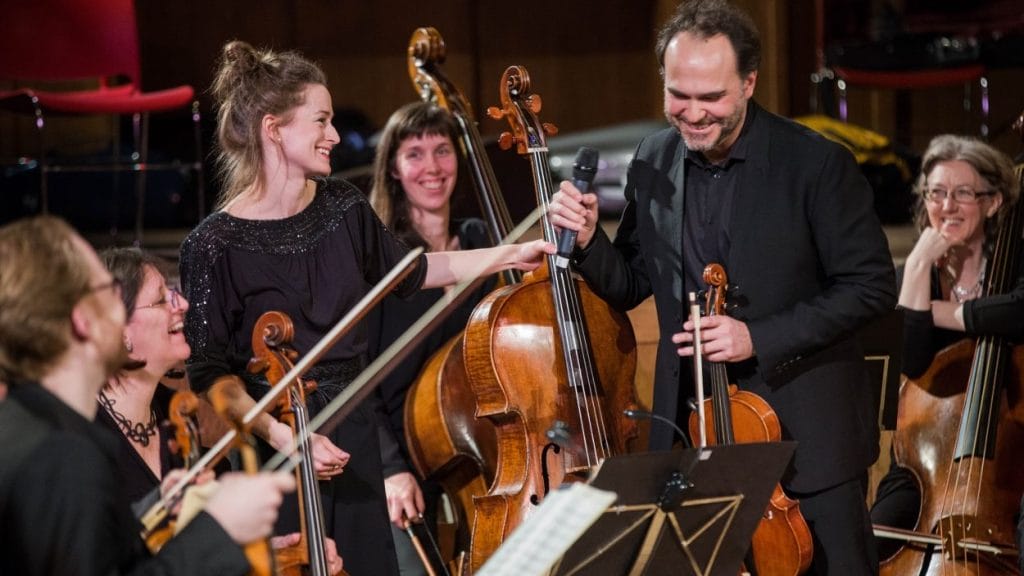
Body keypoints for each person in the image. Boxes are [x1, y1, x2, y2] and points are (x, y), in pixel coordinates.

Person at [549, 0, 897, 572]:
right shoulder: (654, 156)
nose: (691, 113)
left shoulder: (816, 165)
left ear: (749, 83)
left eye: (711, 97)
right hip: (696, 436)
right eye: (678, 95)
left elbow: (871, 287)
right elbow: (635, 280)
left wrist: (756, 336)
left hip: (808, 442)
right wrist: (589, 241)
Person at [180, 41, 550, 576]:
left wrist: (511, 252)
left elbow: (416, 272)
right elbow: (209, 373)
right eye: (321, 120)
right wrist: (285, 435)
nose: (335, 135)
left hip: (352, 438)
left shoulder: (344, 208)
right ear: (273, 128)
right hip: (277, 448)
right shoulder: (213, 245)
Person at [0, 215, 295, 576]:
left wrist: (150, 514)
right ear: (81, 320)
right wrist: (218, 527)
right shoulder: (61, 453)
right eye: (107, 291)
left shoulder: (29, 425)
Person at [869, 134, 1022, 559]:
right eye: (936, 193)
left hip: (1010, 452)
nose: (946, 206)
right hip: (925, 458)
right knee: (868, 542)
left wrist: (930, 310)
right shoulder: (914, 272)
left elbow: (1017, 311)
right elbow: (913, 362)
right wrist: (917, 266)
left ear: (993, 202)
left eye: (962, 194)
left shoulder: (1014, 264)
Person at [366, 101, 498, 574]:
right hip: (402, 459)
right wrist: (391, 470)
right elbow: (357, 381)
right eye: (415, 154)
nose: (432, 168)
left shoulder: (484, 241)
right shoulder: (381, 260)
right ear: (395, 170)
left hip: (477, 452)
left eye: (442, 151)